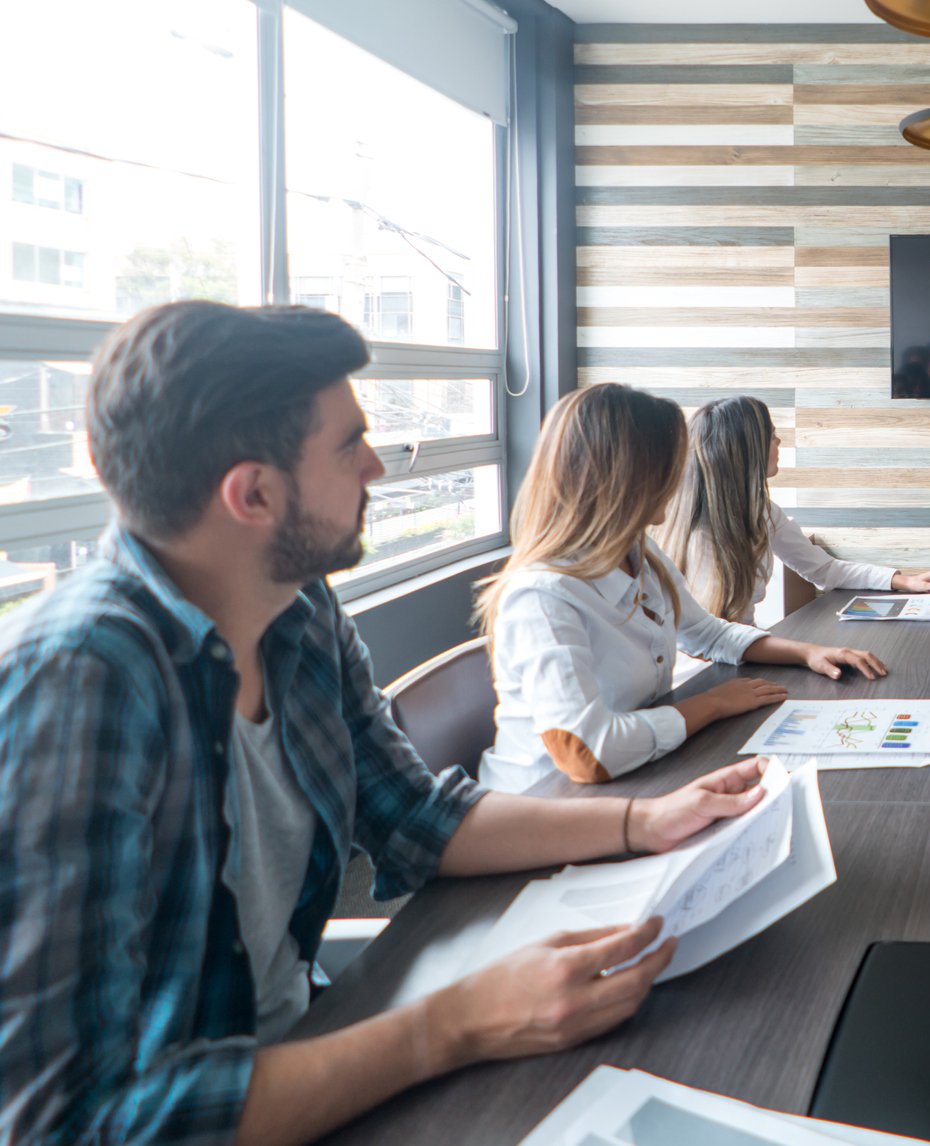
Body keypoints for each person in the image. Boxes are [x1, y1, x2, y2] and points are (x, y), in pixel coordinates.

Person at [0, 302, 783, 1146]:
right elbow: (66, 1121)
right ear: (253, 493)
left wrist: (643, 822)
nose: (377, 467)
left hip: (313, 1048)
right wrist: (454, 1025)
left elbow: (415, 814)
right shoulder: (80, 683)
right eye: (349, 444)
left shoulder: (296, 605)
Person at [478, 384, 887, 793]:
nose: (679, 482)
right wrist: (713, 703)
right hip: (548, 801)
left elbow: (708, 631)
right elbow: (587, 754)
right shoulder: (542, 596)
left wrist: (809, 652)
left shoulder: (640, 550)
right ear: (630, 476)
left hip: (635, 775)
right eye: (670, 465)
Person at [661, 394, 930, 625]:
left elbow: (824, 570)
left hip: (744, 651)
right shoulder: (698, 531)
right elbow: (707, 638)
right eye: (772, 435)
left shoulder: (762, 511)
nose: (779, 442)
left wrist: (904, 581)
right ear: (748, 449)